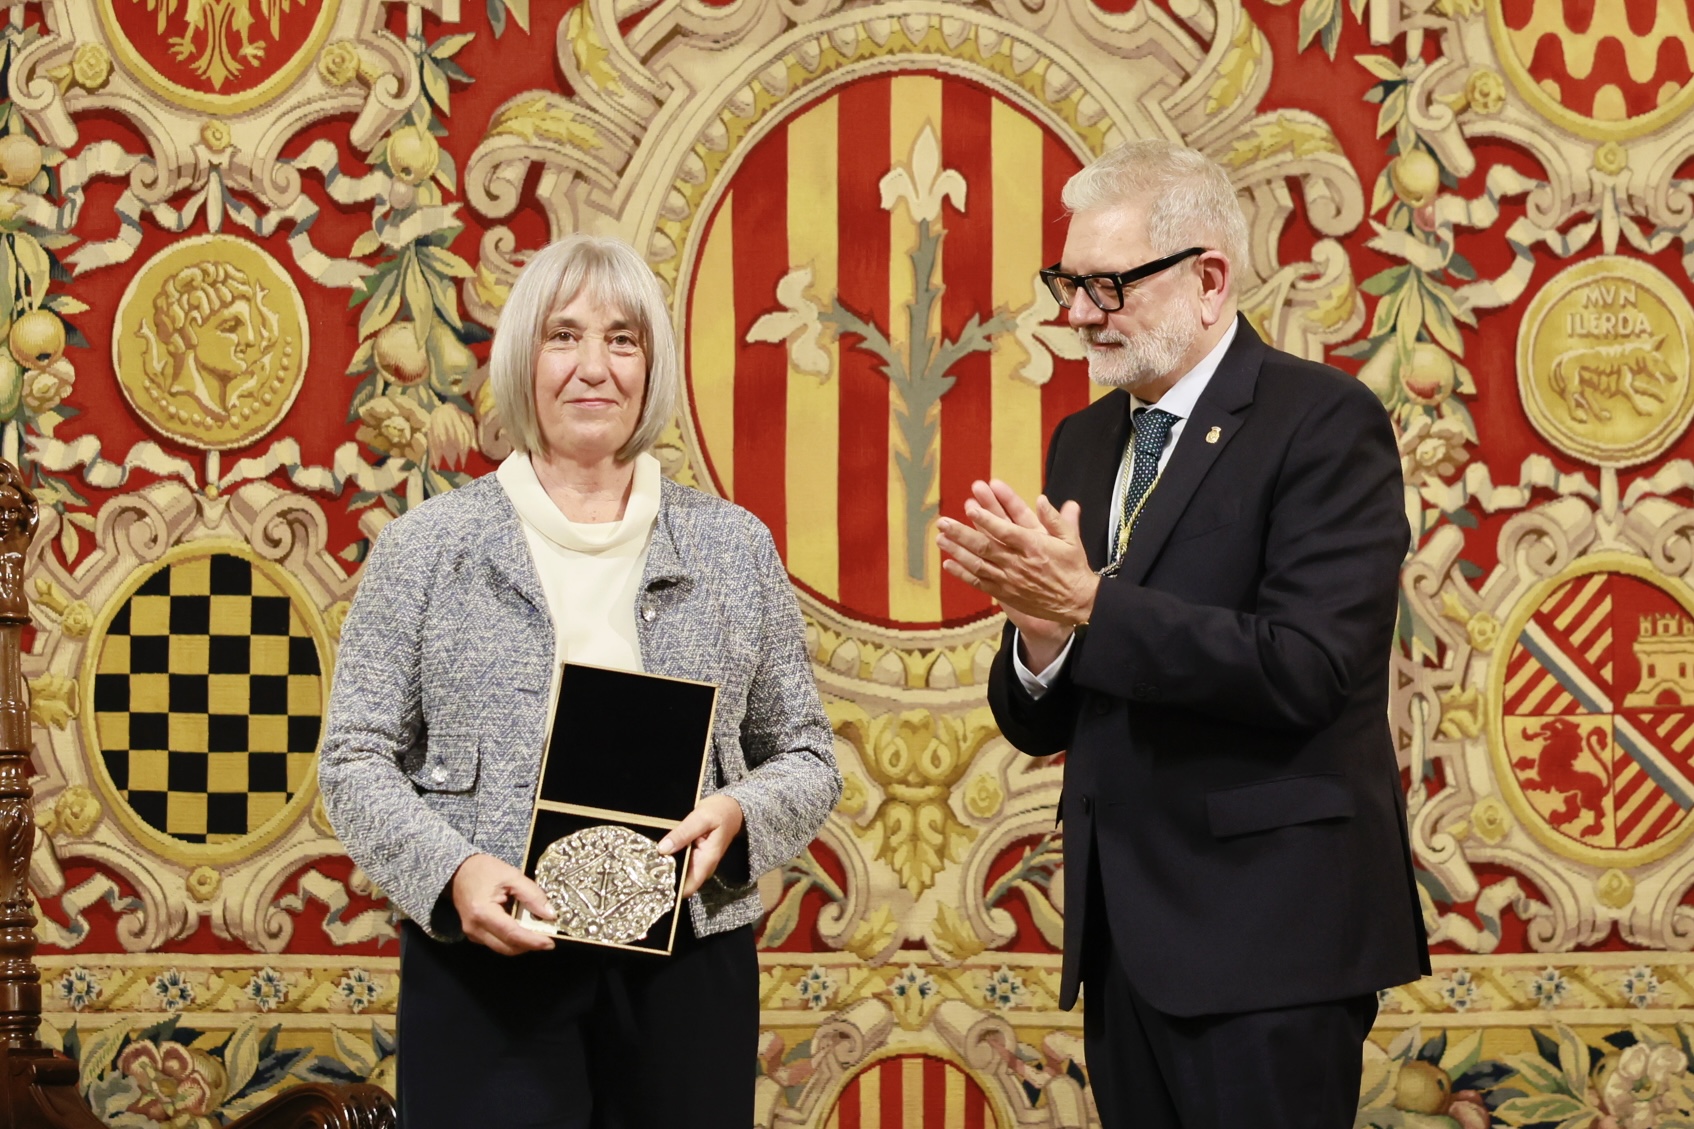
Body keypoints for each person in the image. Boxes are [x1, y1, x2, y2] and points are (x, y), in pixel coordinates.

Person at [936, 140, 1429, 1128]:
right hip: (1125, 941)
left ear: (1209, 280)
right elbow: (1048, 721)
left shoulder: (1322, 422)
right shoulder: (1085, 440)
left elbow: (1308, 668)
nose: (1078, 315)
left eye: (1107, 286)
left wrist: (1091, 606)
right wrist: (1041, 643)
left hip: (1270, 941)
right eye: (1068, 284)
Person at [319, 233, 841, 1129]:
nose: (593, 367)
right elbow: (353, 759)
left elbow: (806, 753)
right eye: (564, 336)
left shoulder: (733, 547)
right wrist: (454, 870)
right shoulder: (426, 548)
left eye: (622, 340)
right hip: (485, 969)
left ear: (651, 366)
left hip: (687, 970)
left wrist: (740, 813)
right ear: (524, 362)